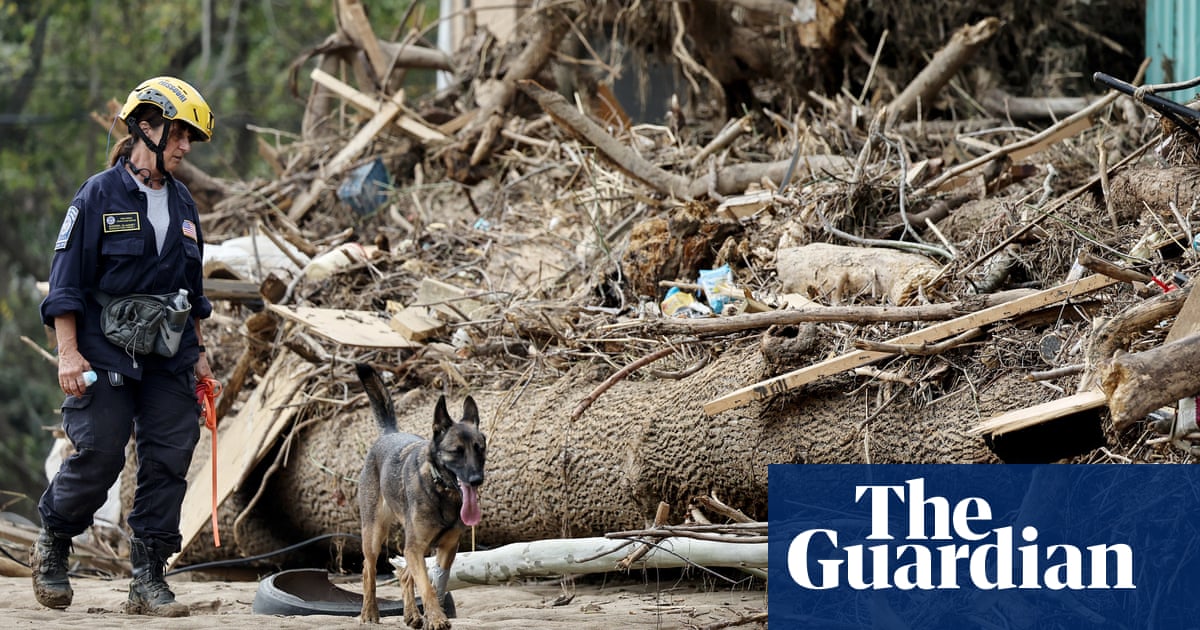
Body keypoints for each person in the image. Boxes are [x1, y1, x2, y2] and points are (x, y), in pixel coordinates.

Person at [34, 76, 216, 617]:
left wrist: (200, 357)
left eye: (189, 138)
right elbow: (64, 284)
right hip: (103, 353)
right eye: (179, 134)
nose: (185, 147)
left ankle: (148, 577)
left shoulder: (184, 205)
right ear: (146, 126)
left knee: (169, 459)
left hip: (168, 356)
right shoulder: (96, 196)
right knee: (102, 452)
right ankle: (55, 539)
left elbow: (193, 295)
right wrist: (69, 354)